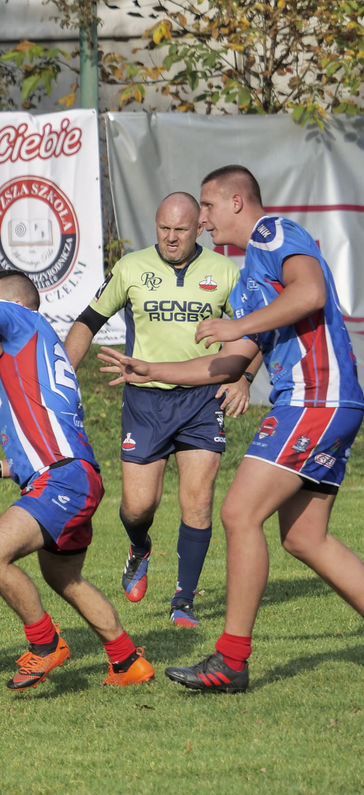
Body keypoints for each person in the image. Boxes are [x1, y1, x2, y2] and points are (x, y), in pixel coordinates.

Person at [99, 165, 364, 692]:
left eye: (208, 205)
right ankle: (231, 660)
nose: (202, 219)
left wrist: (238, 325)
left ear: (237, 201)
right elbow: (226, 363)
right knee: (305, 537)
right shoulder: (248, 281)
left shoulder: (273, 233)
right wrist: (151, 369)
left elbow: (311, 291)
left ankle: (231, 660)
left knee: (239, 513)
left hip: (316, 398)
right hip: (319, 402)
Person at [0, 270, 155, 690]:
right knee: (65, 578)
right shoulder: (27, 350)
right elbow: (46, 442)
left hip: (62, 481)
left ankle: (45, 644)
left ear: (15, 307)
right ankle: (127, 662)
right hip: (70, 474)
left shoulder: (25, 321)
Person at [63, 192, 256, 627]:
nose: (170, 237)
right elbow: (88, 322)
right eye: (163, 228)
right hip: (145, 400)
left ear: (198, 228)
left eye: (180, 230)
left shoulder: (226, 272)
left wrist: (244, 376)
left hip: (203, 398)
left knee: (198, 500)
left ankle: (183, 601)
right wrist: (61, 378)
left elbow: (255, 330)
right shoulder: (131, 268)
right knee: (138, 506)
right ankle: (139, 547)